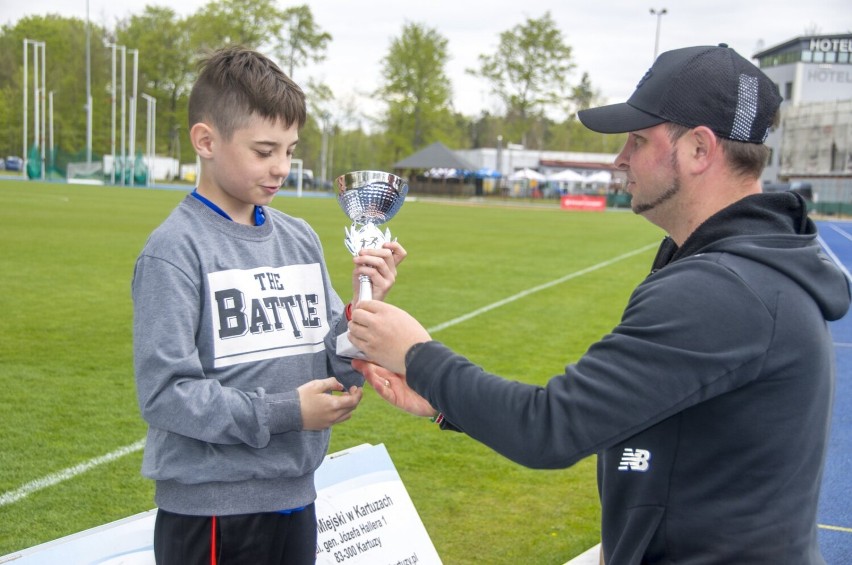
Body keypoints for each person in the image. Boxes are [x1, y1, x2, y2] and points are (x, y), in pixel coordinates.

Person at [347, 44, 850, 564]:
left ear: (700, 150)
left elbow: (550, 429)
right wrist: (441, 403)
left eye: (638, 139)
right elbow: (615, 414)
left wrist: (417, 355)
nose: (620, 159)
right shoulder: (742, 269)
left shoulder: (722, 289)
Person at [131, 45, 405, 565]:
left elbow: (331, 358)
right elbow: (166, 394)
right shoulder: (174, 251)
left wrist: (361, 312)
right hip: (212, 511)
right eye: (264, 151)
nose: (281, 168)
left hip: (297, 496)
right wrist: (287, 411)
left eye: (290, 150)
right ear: (206, 141)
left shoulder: (299, 238)